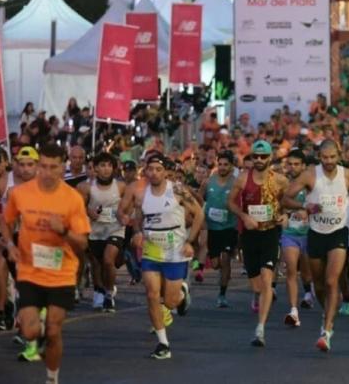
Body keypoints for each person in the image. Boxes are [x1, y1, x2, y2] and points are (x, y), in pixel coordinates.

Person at [0, 143, 91, 384]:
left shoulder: (72, 199)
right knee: (30, 331)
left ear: (63, 168)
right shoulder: (21, 193)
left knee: (53, 330)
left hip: (62, 273)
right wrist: (9, 246)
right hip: (30, 271)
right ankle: (36, 340)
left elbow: (82, 242)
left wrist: (64, 232)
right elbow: (5, 222)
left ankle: (52, 378)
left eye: (53, 167)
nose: (47, 172)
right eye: (43, 166)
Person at [119, 152, 203, 359]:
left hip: (175, 248)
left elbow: (199, 213)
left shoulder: (177, 190)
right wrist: (138, 232)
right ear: (145, 171)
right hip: (152, 250)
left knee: (171, 302)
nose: (154, 173)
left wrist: (190, 241)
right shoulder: (142, 194)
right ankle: (163, 343)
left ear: (166, 172)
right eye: (151, 169)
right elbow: (138, 218)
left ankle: (181, 293)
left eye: (159, 170)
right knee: (152, 295)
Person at [283, 139, 349, 352]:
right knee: (318, 284)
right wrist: (304, 205)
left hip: (338, 233)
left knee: (331, 280)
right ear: (319, 157)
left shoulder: (348, 175)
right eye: (325, 158)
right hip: (316, 233)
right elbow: (286, 199)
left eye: (333, 157)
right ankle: (327, 312)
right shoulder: (310, 175)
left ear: (339, 156)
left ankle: (326, 331)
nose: (329, 161)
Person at [228, 140, 289, 347]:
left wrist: (285, 215)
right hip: (250, 235)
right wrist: (244, 216)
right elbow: (230, 203)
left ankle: (260, 328)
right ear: (251, 158)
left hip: (270, 233)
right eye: (256, 156)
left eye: (264, 156)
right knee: (256, 284)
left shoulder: (280, 180)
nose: (260, 160)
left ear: (270, 158)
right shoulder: (243, 179)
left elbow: (287, 201)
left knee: (266, 279)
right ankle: (259, 297)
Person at [76, 152, 127, 313]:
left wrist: (124, 215)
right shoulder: (85, 188)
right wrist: (88, 211)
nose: (106, 169)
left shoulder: (120, 186)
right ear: (95, 168)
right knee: (96, 264)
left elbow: (129, 204)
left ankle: (109, 293)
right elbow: (77, 207)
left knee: (108, 259)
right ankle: (99, 289)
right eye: (102, 165)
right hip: (95, 231)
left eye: (109, 165)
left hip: (115, 228)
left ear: (114, 168)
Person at [201, 150, 239, 308]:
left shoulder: (237, 183)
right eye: (220, 164)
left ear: (231, 166)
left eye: (226, 165)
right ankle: (222, 274)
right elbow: (199, 199)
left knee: (225, 260)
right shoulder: (208, 182)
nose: (222, 167)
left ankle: (222, 294)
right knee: (216, 263)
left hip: (230, 227)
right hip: (213, 228)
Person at [279, 149, 313, 325]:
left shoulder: (311, 185)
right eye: (290, 164)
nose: (292, 167)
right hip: (290, 233)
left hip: (309, 233)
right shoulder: (284, 184)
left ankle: (309, 291)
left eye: (296, 164)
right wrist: (283, 214)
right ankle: (293, 311)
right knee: (291, 270)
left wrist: (307, 211)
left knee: (307, 272)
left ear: (304, 166)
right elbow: (279, 205)